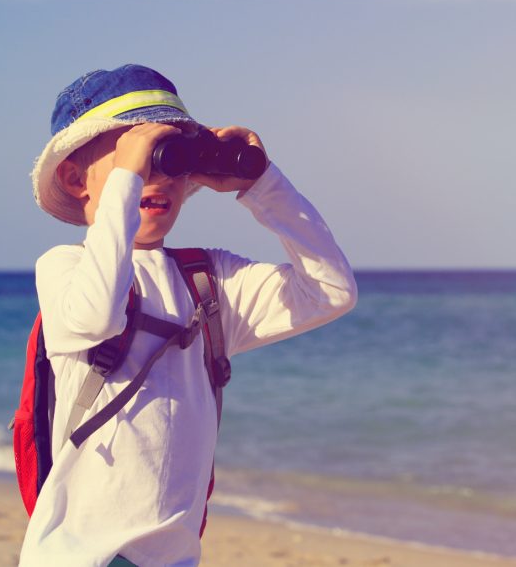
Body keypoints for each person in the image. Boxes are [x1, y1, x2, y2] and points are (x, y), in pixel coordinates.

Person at [20, 64, 357, 567]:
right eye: (134, 158)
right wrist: (126, 185)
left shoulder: (206, 281)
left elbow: (332, 291)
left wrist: (263, 184)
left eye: (170, 159)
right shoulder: (64, 268)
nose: (157, 176)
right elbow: (96, 317)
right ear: (75, 178)